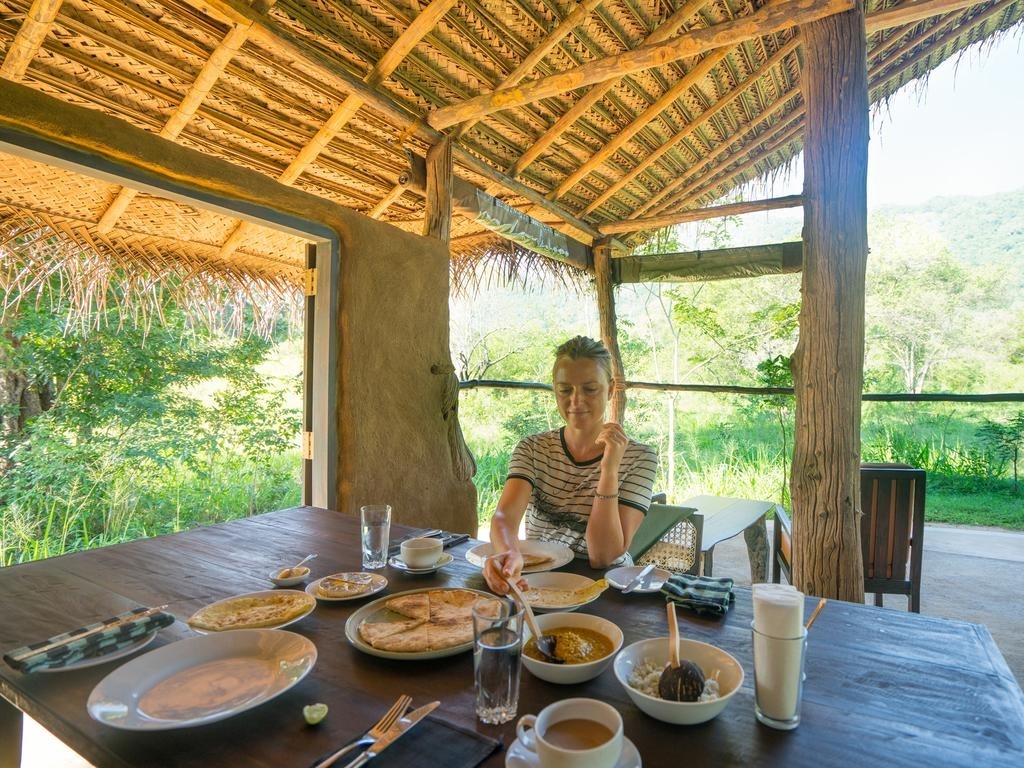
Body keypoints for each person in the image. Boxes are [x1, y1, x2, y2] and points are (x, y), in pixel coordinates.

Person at [483, 336, 657, 595]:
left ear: (610, 390)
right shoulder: (532, 449)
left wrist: (609, 471)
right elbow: (504, 518)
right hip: (539, 581)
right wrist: (509, 554)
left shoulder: (640, 457)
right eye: (565, 390)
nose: (576, 401)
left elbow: (603, 556)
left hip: (608, 587)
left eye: (590, 389)